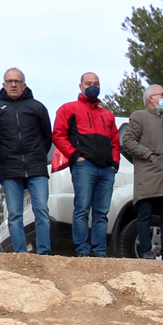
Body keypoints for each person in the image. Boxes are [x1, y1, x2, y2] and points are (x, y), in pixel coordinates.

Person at [52, 71, 119, 255]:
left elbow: (115, 141)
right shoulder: (68, 109)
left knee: (102, 212)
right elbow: (58, 135)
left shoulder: (108, 115)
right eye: (88, 83)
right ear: (80, 86)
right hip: (84, 166)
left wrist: (114, 163)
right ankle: (82, 250)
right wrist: (75, 156)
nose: (92, 87)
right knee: (82, 209)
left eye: (96, 84)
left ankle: (100, 251)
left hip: (106, 169)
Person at [0, 68, 53, 254]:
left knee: (41, 210)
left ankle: (44, 252)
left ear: (24, 85)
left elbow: (47, 137)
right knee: (15, 215)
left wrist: (38, 156)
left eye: (17, 81)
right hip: (10, 169)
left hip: (36, 168)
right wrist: (2, 158)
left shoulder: (37, 107)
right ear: (4, 85)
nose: (13, 85)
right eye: (10, 81)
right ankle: (20, 255)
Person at [120, 84, 163, 259]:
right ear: (151, 98)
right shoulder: (139, 116)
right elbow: (128, 141)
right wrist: (148, 155)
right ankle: (145, 251)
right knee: (145, 215)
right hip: (148, 175)